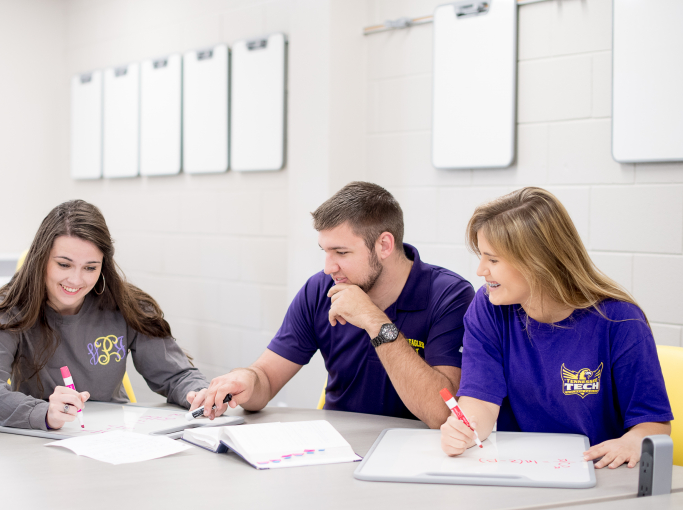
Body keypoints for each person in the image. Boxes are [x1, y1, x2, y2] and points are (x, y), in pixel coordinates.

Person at [189, 181, 475, 428]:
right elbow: (266, 377)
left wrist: (374, 320)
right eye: (325, 252)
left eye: (341, 252)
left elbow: (443, 414)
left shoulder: (449, 295)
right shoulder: (321, 289)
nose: (328, 268)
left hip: (416, 453)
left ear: (384, 245)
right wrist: (246, 380)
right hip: (339, 448)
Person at [440, 187, 672, 469]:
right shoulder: (488, 307)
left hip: (601, 475)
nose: (480, 270)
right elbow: (480, 402)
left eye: (493, 260)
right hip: (523, 473)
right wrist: (465, 428)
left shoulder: (621, 321)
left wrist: (634, 440)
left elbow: (655, 426)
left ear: (536, 262)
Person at [0, 200, 207, 430]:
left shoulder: (126, 306)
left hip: (111, 441)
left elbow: (176, 376)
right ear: (41, 260)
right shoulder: (10, 310)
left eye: (90, 267)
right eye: (64, 264)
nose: (76, 280)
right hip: (42, 439)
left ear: (104, 265)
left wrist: (201, 394)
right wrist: (44, 413)